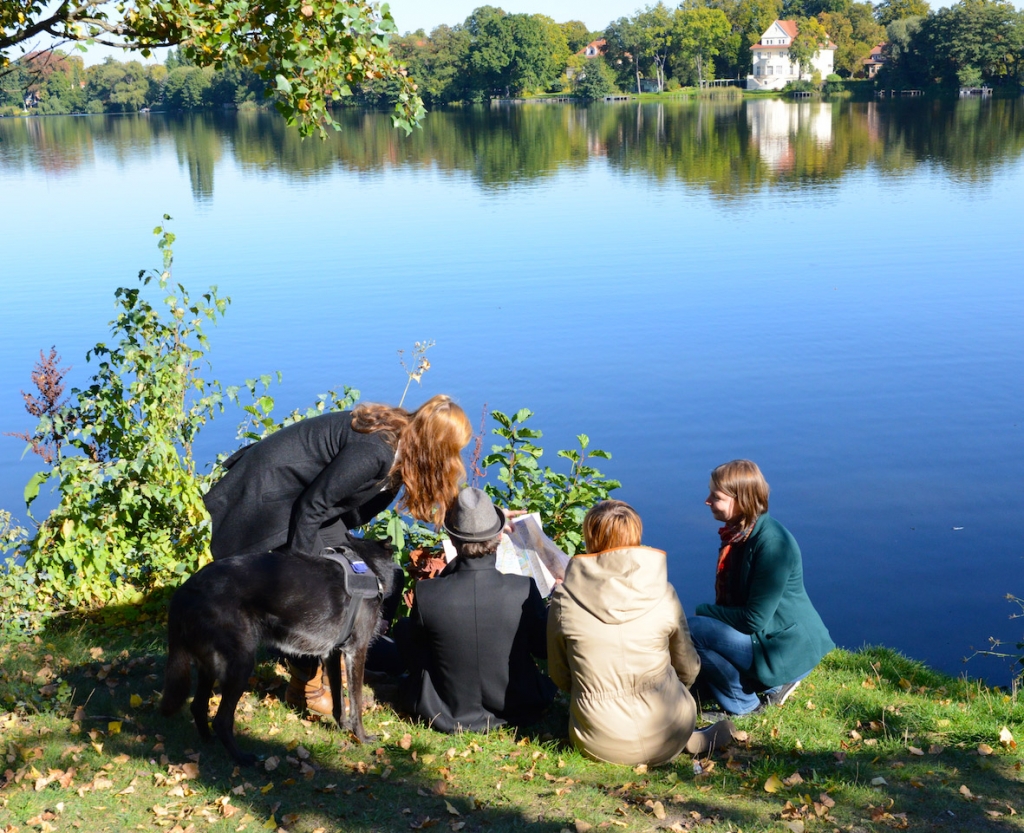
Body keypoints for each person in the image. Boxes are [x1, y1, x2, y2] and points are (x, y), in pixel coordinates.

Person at [203, 393, 472, 714]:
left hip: (308, 510)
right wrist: (304, 573)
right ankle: (306, 687)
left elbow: (346, 514)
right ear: (434, 445)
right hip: (268, 505)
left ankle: (343, 665)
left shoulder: (403, 450)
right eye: (452, 450)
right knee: (318, 594)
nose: (454, 458)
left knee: (387, 577)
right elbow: (312, 506)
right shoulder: (375, 451)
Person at [547, 500, 735, 765]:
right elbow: (688, 667)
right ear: (636, 537)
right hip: (670, 725)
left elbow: (559, 673)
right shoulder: (662, 592)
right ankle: (690, 739)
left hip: (598, 741)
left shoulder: (565, 599)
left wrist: (587, 693)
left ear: (590, 537)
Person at [398, 487, 556, 733]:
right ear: (499, 537)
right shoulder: (523, 588)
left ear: (452, 540)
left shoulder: (426, 592)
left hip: (446, 709)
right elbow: (542, 649)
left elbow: (419, 649)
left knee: (405, 629)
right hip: (519, 704)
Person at [689, 460, 835, 716]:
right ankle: (740, 686)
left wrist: (705, 611)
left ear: (741, 501)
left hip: (784, 646)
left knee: (694, 630)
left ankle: (745, 706)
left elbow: (752, 620)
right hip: (766, 635)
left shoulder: (773, 545)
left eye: (716, 496)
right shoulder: (741, 533)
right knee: (699, 640)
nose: (707, 501)